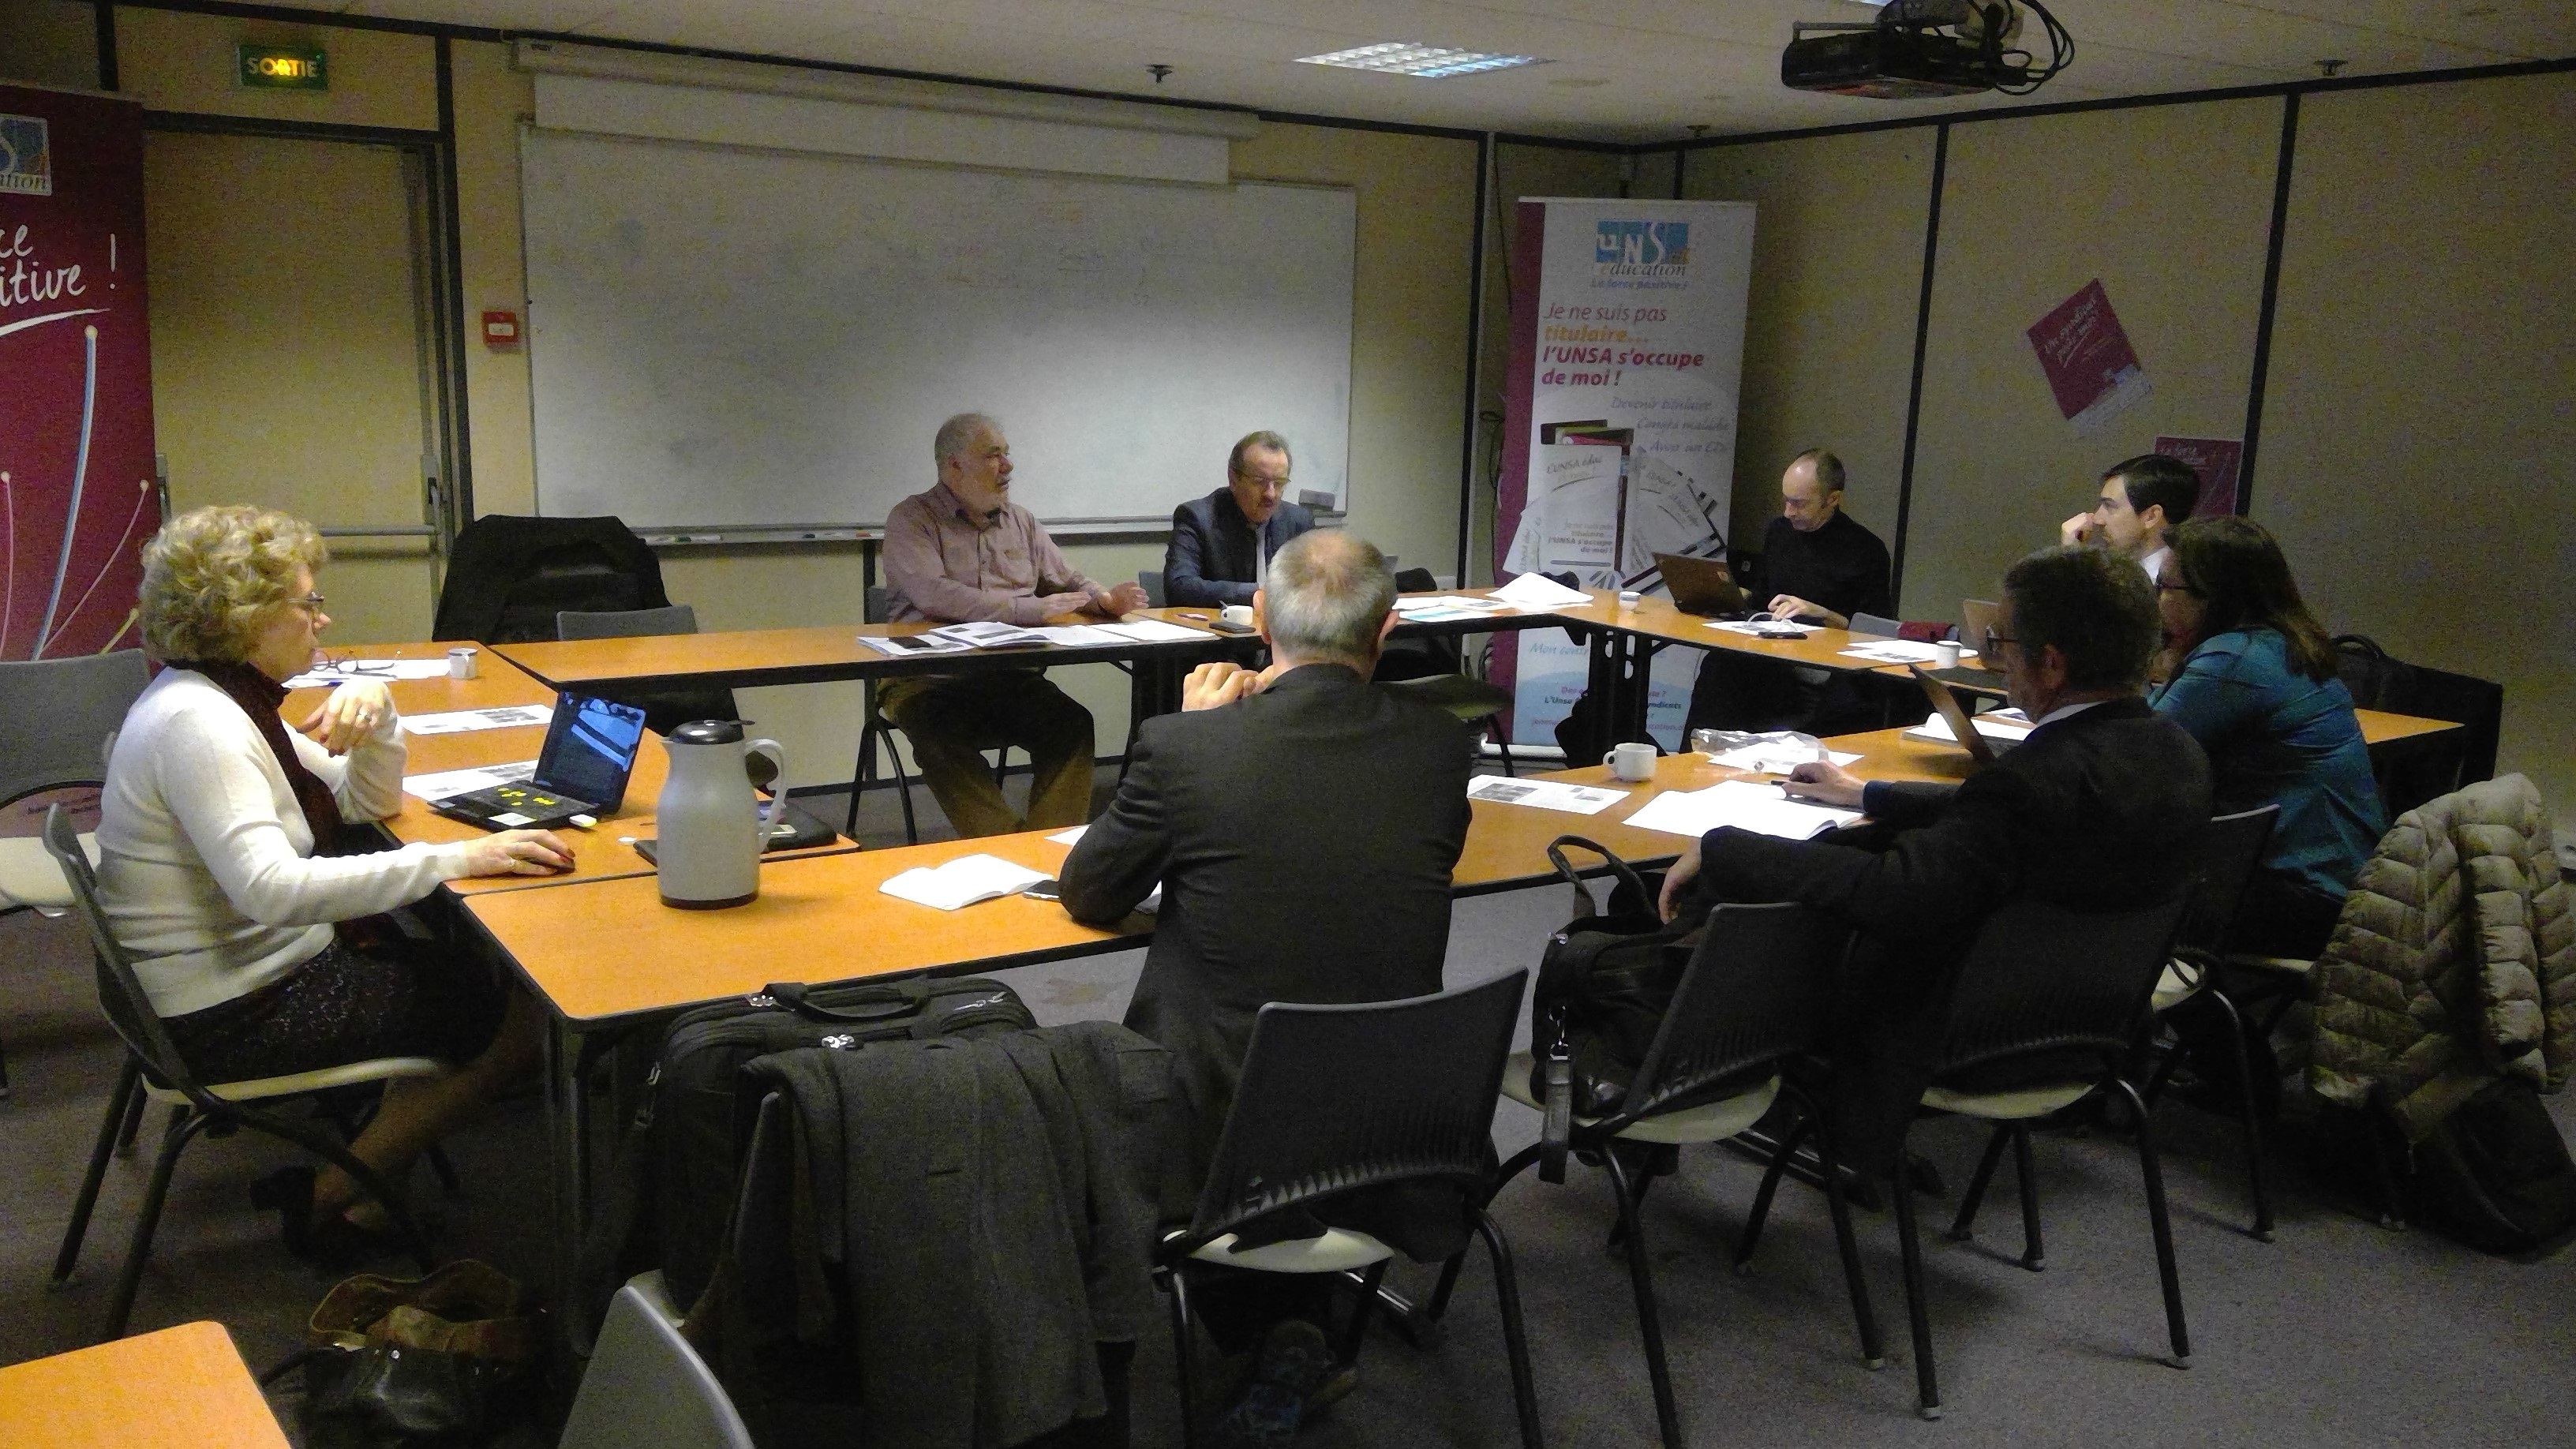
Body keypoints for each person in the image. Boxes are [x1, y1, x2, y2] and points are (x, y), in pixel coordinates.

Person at [1061, 530, 1470, 1444]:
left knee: (1192, 1002)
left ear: (1257, 619)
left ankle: (1260, 1319)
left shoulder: (1187, 747)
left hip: (1225, 1139)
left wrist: (1201, 732)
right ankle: (1294, 1322)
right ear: (1389, 628)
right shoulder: (1443, 746)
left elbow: (1090, 893)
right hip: (1395, 1123)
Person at [95, 505, 571, 1257]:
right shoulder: (201, 723)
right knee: (518, 1018)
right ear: (243, 616)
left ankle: (370, 1195)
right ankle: (326, 1199)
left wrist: (382, 720)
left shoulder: (223, 697)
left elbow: (362, 801)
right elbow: (274, 891)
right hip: (225, 1012)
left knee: (459, 979)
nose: (323, 618)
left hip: (228, 977)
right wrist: (458, 859)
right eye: (306, 603)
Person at [1657, 546, 2211, 1174]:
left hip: (1963, 1035)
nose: (1996, 662)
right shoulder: (2178, 754)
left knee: (1752, 907)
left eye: (2002, 643)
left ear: (2052, 664)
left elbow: (1895, 893)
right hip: (2086, 1025)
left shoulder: (2034, 780)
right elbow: (2008, 816)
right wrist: (1869, 795)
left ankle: (1671, 1097)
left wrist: (1723, 844)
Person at [879, 413, 1150, 836]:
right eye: (993, 456)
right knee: (938, 738)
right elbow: (934, 594)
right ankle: (1008, 846)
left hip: (1007, 676)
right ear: (955, 465)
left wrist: (1104, 599)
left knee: (1072, 725)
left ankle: (1048, 848)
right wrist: (1025, 609)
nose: (1007, 466)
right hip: (927, 679)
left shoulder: (1021, 521)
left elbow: (1068, 578)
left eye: (1006, 454)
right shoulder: (912, 519)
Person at [2152, 515, 2385, 958]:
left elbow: (2134, 753)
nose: (2157, 599)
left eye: (2166, 586)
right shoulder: (2279, 645)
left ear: (2214, 597)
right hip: (2340, 887)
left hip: (2301, 899)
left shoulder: (2234, 661)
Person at [1683, 448, 1893, 733]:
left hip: (1824, 663)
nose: (1788, 512)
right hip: (1773, 651)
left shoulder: (1866, 550)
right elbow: (1762, 596)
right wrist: (1724, 595)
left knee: (1746, 681)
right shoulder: (1780, 531)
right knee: (1720, 665)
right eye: (1786, 500)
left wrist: (1822, 613)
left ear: (1832, 499)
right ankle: (1697, 752)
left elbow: (1875, 633)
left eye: (1799, 504)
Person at [1164, 430, 1317, 608]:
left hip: (1282, 625)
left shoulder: (1299, 522)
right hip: (1223, 625)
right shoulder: (1197, 518)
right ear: (1233, 480)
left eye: (1279, 483)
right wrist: (1257, 593)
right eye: (1260, 481)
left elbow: (1316, 588)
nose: (1270, 494)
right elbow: (1179, 588)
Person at [2060, 452, 2201, 583]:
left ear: (2151, 517)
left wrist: (2071, 560)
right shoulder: (2117, 571)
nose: (2097, 519)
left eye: (2109, 506)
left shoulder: (2175, 587)